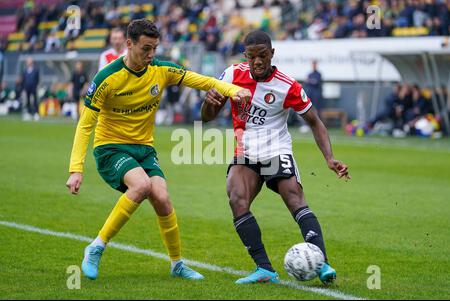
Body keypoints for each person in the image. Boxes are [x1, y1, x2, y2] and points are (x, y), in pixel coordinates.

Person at [66, 19, 251, 281]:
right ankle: (96, 247)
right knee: (141, 186)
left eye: (154, 48)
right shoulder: (106, 78)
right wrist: (76, 169)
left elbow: (201, 81)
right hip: (111, 148)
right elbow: (85, 125)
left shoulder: (161, 69)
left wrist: (233, 90)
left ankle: (177, 264)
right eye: (146, 49)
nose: (151, 55)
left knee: (162, 199)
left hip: (144, 149)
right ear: (129, 44)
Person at [201, 30, 350, 285]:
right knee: (237, 199)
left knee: (294, 197)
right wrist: (210, 102)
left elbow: (315, 122)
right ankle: (264, 269)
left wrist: (329, 158)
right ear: (245, 56)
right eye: (251, 57)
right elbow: (206, 117)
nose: (257, 62)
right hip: (246, 151)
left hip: (275, 149)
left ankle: (322, 262)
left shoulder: (287, 85)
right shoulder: (231, 74)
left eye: (262, 55)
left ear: (272, 53)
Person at [21, 57, 40, 121]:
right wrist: (23, 87)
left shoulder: (35, 70)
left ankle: (36, 113)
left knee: (35, 101)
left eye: (29, 61)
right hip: (27, 88)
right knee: (28, 101)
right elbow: (23, 79)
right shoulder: (25, 70)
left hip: (33, 87)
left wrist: (36, 86)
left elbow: (37, 79)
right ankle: (28, 113)